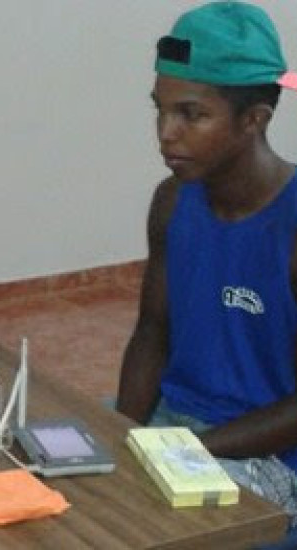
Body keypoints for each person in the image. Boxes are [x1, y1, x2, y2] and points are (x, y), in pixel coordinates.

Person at [116, 1, 297, 530]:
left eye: (191, 115)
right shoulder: (172, 201)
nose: (166, 133)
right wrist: (120, 435)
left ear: (254, 119)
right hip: (177, 427)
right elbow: (152, 333)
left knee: (139, 526)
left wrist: (185, 450)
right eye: (160, 109)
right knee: (59, 474)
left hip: (271, 454)